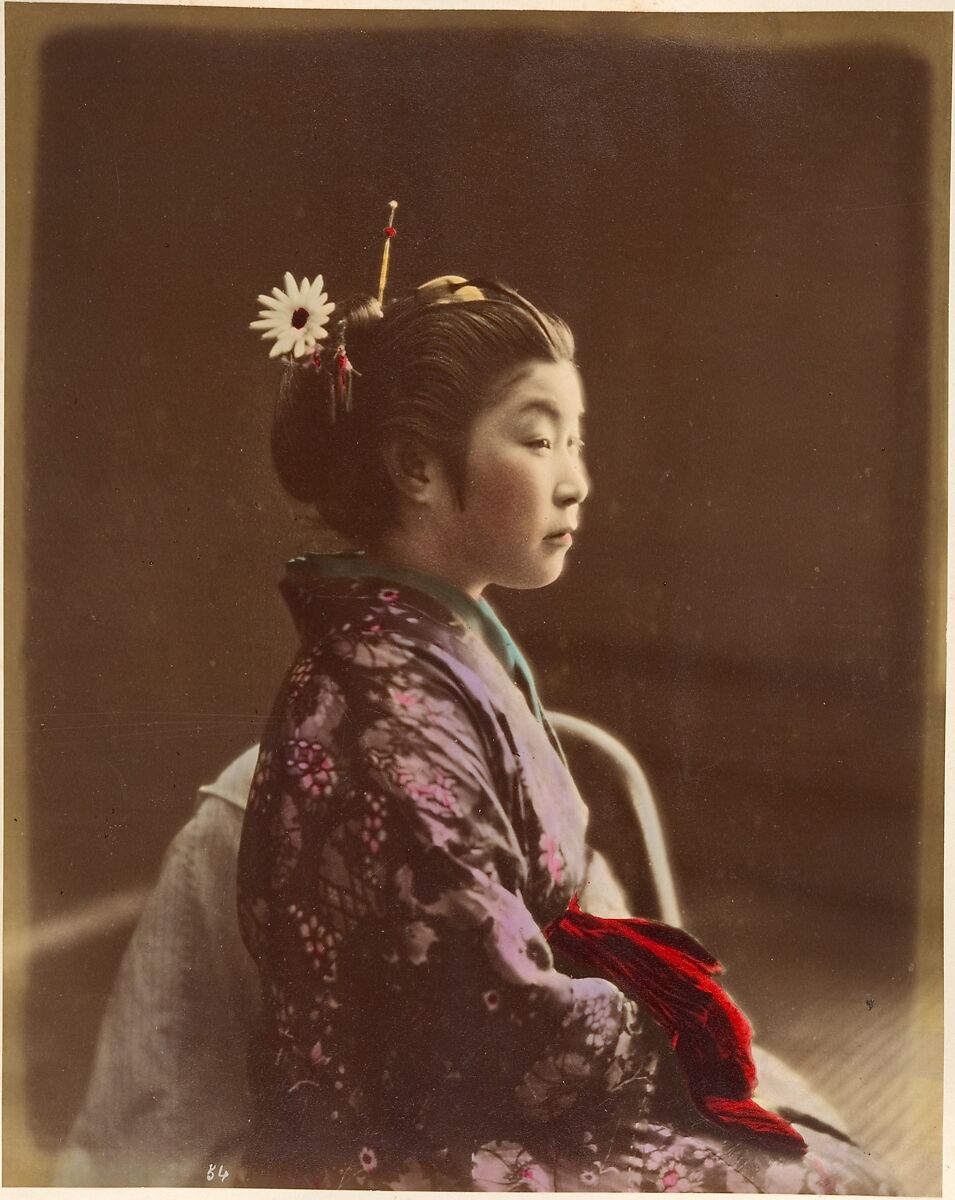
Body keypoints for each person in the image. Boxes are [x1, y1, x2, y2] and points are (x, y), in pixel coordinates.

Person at [238, 260, 894, 1192]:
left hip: (489, 1091)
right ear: (416, 468)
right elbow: (488, 1015)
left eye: (575, 441)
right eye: (539, 441)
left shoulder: (432, 649)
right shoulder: (385, 701)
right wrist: (666, 1017)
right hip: (415, 1143)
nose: (575, 481)